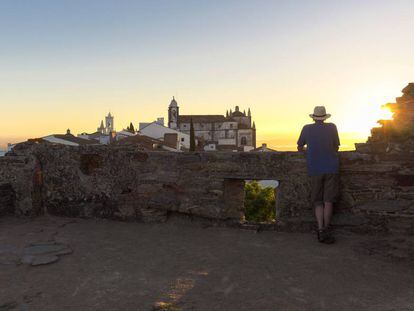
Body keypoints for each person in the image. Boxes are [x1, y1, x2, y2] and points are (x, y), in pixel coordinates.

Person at [297, 106, 340, 244]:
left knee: (318, 201)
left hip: (315, 168)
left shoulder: (307, 128)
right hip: (331, 168)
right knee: (328, 201)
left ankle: (320, 229)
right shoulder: (332, 127)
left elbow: (299, 147)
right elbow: (336, 146)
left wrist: (310, 152)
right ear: (325, 117)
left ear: (313, 117)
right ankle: (326, 229)